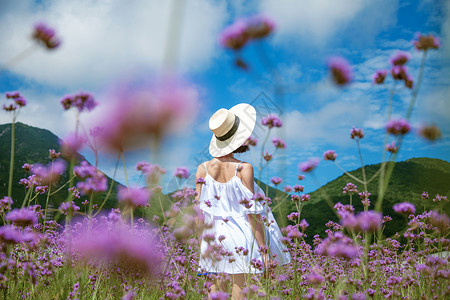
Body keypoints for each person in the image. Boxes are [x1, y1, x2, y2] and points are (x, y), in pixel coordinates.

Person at [195, 103, 290, 299]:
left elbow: (200, 212)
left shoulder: (202, 169)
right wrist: (263, 251)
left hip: (212, 236)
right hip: (241, 237)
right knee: (240, 292)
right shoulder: (243, 168)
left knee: (215, 293)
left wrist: (201, 244)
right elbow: (252, 212)